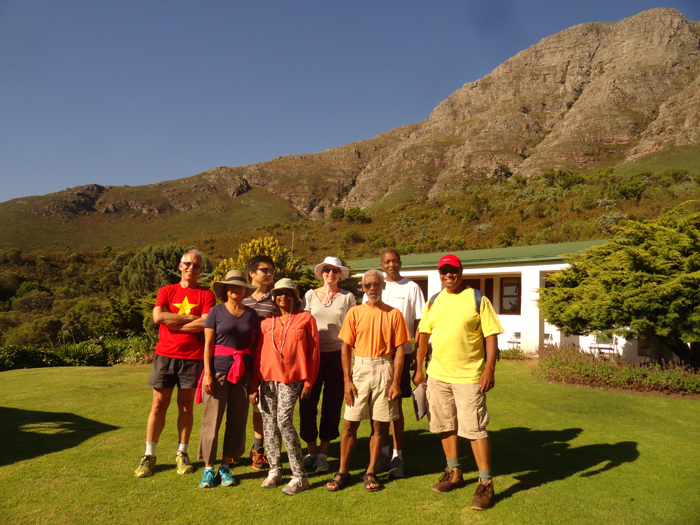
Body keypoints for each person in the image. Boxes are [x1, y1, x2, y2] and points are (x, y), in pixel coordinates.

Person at [413, 254, 504, 511]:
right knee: (445, 425)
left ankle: (485, 483)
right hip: (438, 375)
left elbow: (491, 334)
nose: (448, 275)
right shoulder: (434, 301)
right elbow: (423, 335)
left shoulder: (477, 299)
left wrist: (489, 369)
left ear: (460, 271)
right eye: (444, 271)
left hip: (469, 377)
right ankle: (453, 471)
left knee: (474, 429)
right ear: (439, 273)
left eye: (452, 270)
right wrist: (420, 369)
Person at [325, 269, 409, 492]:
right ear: (363, 288)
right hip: (360, 369)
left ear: (383, 286)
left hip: (384, 368)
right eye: (367, 285)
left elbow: (400, 350)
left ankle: (370, 471)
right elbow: (345, 347)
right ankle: (343, 471)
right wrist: (347, 380)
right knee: (350, 423)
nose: (372, 288)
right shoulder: (354, 313)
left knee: (379, 424)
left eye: (376, 284)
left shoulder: (394, 314)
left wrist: (395, 382)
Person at [134, 249, 215, 478]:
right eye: (188, 263)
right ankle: (149, 455)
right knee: (158, 405)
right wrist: (192, 318)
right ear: (180, 266)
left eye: (197, 265)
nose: (192, 268)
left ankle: (182, 452)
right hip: (165, 355)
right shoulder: (167, 291)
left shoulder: (207, 295)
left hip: (192, 358)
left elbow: (206, 323)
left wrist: (175, 322)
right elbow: (158, 318)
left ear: (201, 270)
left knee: (186, 406)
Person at [249, 279, 320, 495]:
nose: (283, 297)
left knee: (284, 421)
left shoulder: (305, 318)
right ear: (274, 296)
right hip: (267, 379)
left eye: (288, 293)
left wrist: (308, 381)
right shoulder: (266, 323)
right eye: (279, 293)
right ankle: (275, 470)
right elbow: (258, 355)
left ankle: (299, 476)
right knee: (269, 424)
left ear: (295, 297)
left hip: (292, 378)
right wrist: (254, 385)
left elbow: (314, 353)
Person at [363, 249, 425, 479]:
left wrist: (417, 355)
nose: (391, 264)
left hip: (402, 353)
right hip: (375, 357)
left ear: (400, 262)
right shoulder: (372, 285)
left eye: (395, 260)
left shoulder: (411, 287)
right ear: (381, 264)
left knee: (395, 406)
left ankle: (397, 455)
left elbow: (420, 324)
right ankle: (382, 452)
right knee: (376, 408)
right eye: (387, 261)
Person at [196, 270, 258, 488]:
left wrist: (252, 378)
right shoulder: (215, 311)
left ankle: (226, 466)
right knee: (212, 422)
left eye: (240, 287)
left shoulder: (251, 314)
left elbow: (252, 346)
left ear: (244, 290)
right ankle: (208, 469)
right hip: (218, 373)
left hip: (242, 375)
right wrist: (208, 374)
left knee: (237, 422)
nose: (236, 290)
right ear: (225, 290)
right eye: (232, 287)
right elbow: (208, 345)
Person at [299, 256, 356, 474]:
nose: (330, 274)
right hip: (312, 357)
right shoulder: (310, 296)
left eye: (335, 271)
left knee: (332, 406)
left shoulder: (348, 297)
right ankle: (311, 453)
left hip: (338, 356)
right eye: (327, 270)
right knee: (307, 404)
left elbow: (353, 328)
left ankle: (323, 455)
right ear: (322, 273)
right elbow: (303, 326)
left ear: (340, 274)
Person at [242, 255, 278, 470]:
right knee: (235, 407)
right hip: (238, 360)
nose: (270, 274)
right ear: (252, 273)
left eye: (272, 270)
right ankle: (232, 450)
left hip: (265, 362)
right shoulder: (238, 296)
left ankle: (258, 450)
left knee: (260, 408)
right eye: (265, 270)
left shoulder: (276, 299)